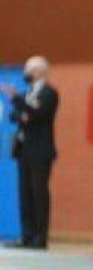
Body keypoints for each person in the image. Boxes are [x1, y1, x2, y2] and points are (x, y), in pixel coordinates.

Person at [1, 56, 59, 249]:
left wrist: (18, 101)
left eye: (29, 69)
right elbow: (15, 115)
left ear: (40, 71)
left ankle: (40, 238)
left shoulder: (49, 93)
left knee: (38, 193)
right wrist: (22, 111)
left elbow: (37, 114)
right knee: (24, 193)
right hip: (24, 151)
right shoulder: (28, 94)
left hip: (41, 152)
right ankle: (27, 236)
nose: (26, 73)